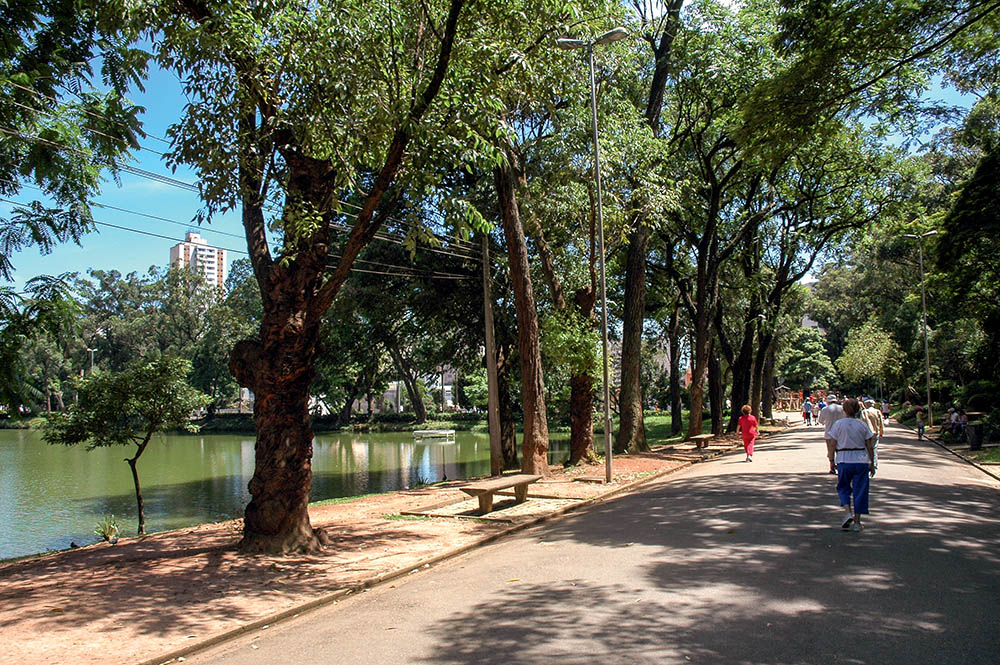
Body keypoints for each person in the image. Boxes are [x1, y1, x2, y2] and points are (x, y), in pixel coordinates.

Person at [825, 398, 876, 532]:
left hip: (843, 459)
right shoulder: (862, 425)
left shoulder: (838, 425)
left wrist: (831, 459)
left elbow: (832, 444)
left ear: (844, 410)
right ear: (858, 410)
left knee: (843, 488)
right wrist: (872, 463)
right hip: (861, 460)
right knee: (860, 491)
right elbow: (869, 446)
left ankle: (848, 512)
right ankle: (857, 522)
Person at [860, 398, 884, 468]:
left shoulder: (864, 412)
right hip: (875, 432)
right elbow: (881, 423)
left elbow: (862, 422)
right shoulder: (877, 411)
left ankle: (868, 463)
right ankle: (874, 464)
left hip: (866, 433)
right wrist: (881, 432)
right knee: (874, 448)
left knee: (867, 448)